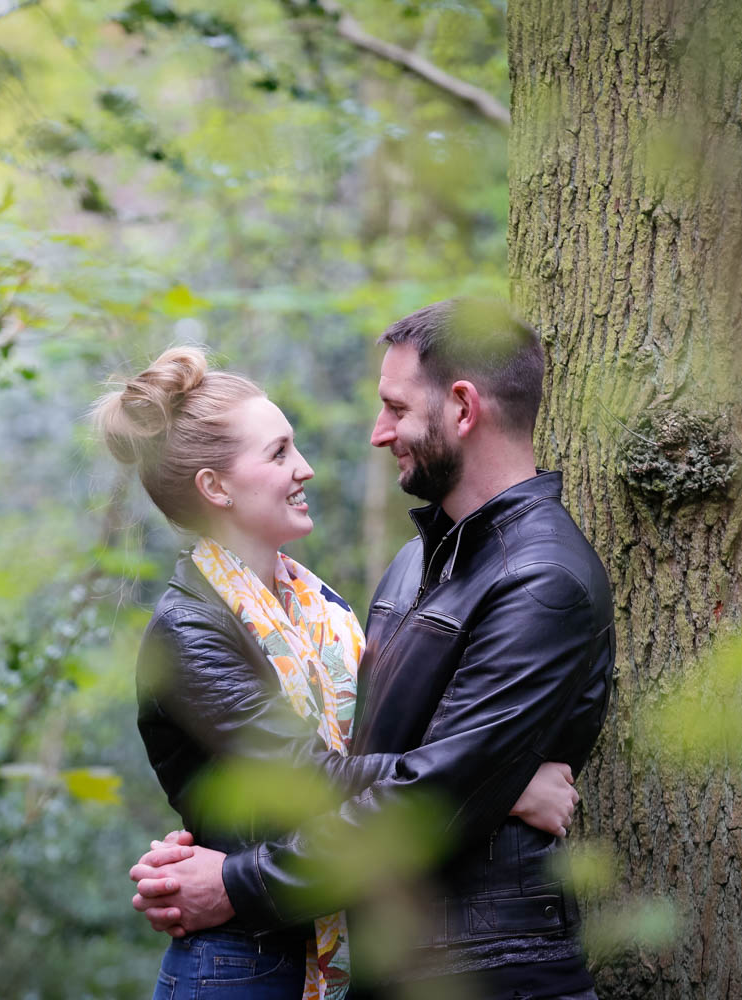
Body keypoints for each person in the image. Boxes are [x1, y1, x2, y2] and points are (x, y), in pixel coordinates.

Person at [128, 301, 615, 1000]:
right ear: (216, 488)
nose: (375, 434)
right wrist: (500, 787)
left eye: (394, 407)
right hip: (321, 958)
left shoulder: (538, 579)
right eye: (278, 452)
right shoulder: (411, 568)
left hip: (483, 964)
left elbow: (425, 787)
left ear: (463, 409)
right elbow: (371, 774)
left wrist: (236, 883)